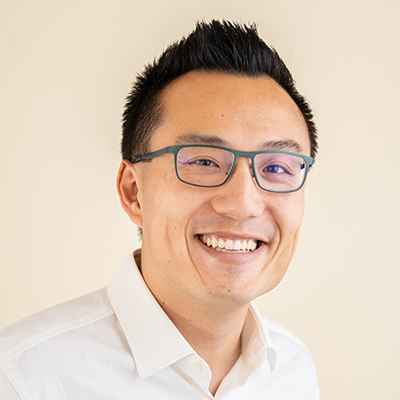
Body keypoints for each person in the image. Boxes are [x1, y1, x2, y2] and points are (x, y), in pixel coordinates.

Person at [0, 20, 320, 399]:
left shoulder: (292, 370)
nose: (243, 204)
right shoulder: (23, 378)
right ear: (133, 192)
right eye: (203, 162)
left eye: (276, 168)